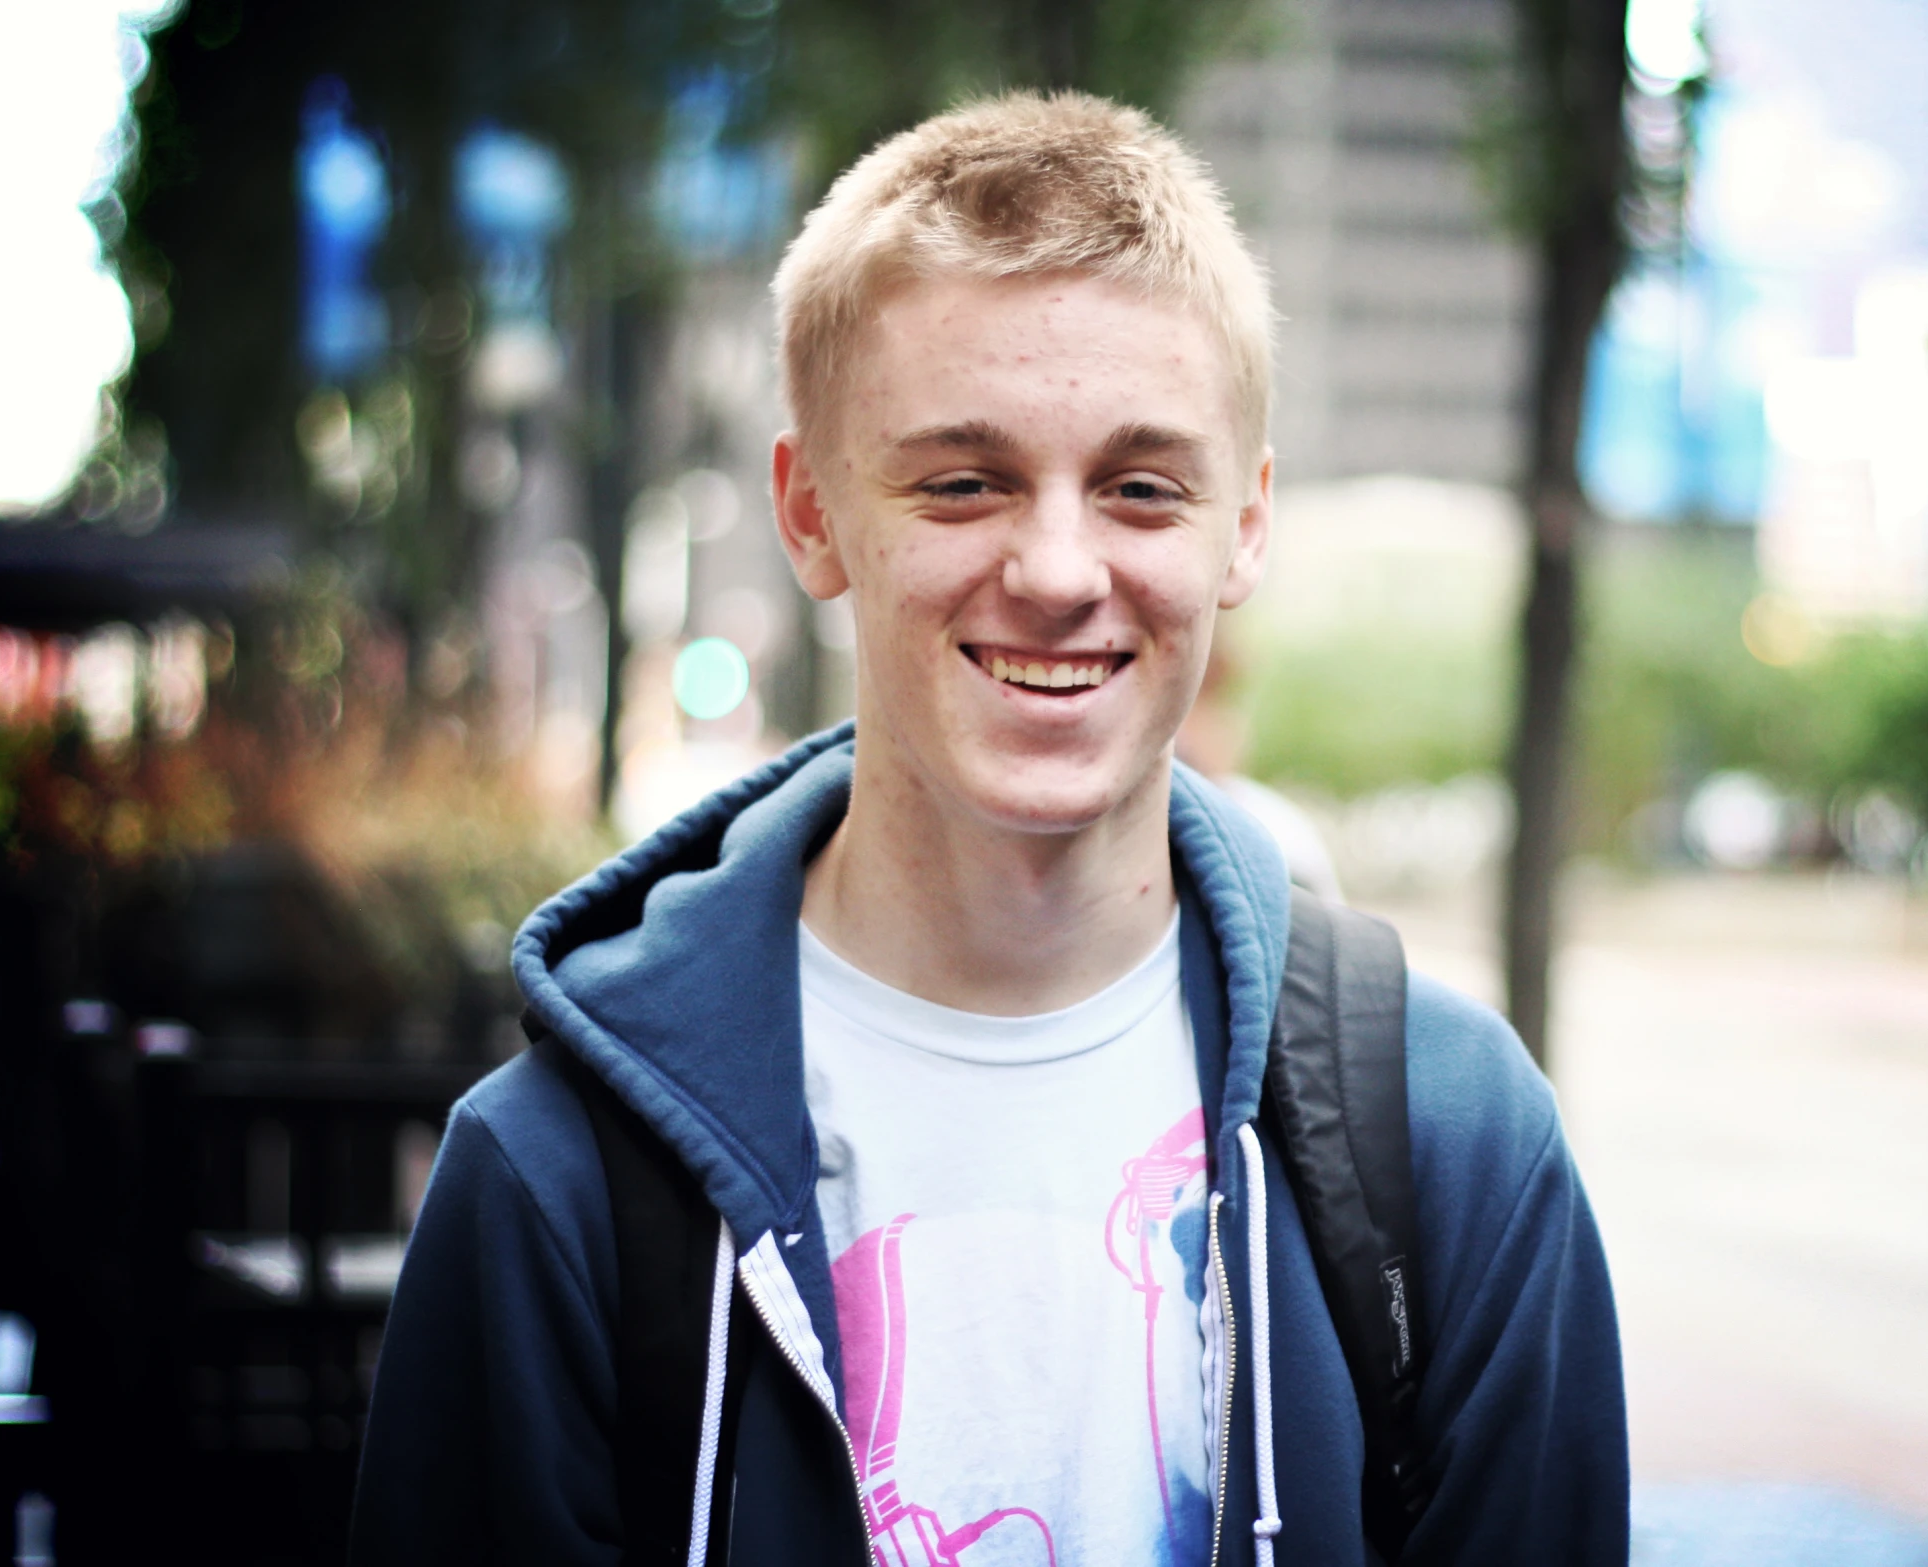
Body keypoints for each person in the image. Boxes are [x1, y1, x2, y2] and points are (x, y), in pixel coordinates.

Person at [349, 91, 1626, 1566]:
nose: (1058, 567)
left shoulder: (1453, 1144)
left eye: (1142, 486)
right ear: (811, 510)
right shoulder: (555, 1180)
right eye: (964, 481)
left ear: (1246, 527)